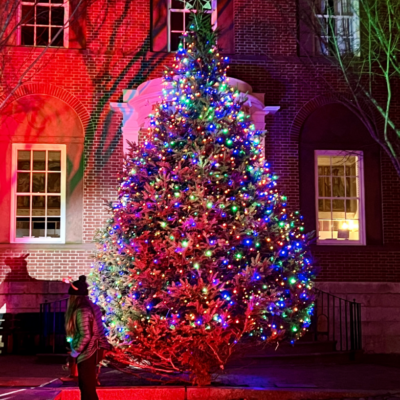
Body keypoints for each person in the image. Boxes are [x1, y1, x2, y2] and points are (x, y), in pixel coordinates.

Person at [65, 275, 111, 400]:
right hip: (95, 349)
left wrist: (75, 352)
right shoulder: (92, 307)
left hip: (89, 351)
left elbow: (86, 335)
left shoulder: (82, 310)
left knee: (86, 387)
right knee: (87, 386)